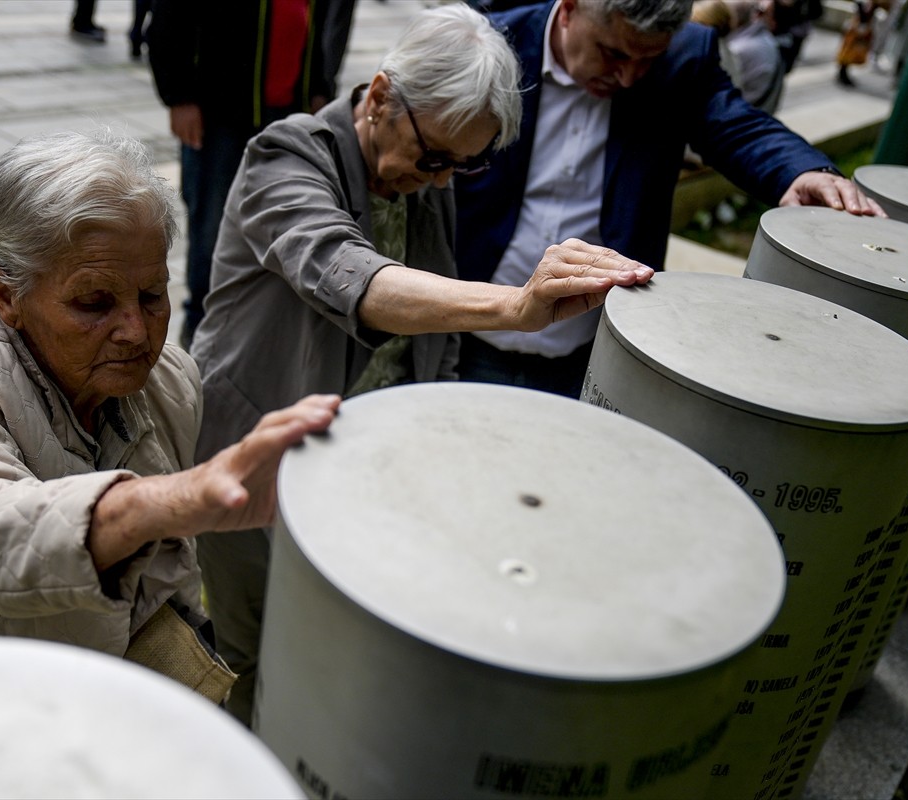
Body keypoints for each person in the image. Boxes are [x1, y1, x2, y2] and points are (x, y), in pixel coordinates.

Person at [188, 3, 654, 725]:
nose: (442, 181)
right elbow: (349, 274)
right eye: (436, 157)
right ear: (379, 98)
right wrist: (512, 307)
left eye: (463, 165)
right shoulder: (286, 155)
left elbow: (427, 322)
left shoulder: (421, 174)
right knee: (250, 648)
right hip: (259, 454)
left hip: (362, 460)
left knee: (325, 644)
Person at [0, 130, 341, 696]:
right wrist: (176, 501)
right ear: (5, 292)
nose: (136, 333)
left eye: (152, 295)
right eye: (93, 303)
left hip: (55, 696)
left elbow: (164, 585)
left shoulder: (170, 382)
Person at [454, 0, 886, 397]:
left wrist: (801, 169)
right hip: (463, 330)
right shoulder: (492, 41)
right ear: (569, 10)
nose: (628, 76)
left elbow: (735, 124)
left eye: (648, 60)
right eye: (614, 54)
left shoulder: (684, 55)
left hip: (597, 347)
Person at [148, 0, 350, 349]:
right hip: (222, 113)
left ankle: (257, 329)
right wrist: (178, 95)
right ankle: (202, 331)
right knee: (212, 227)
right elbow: (170, 17)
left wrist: (319, 88)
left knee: (285, 224)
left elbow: (314, 24)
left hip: (288, 112)